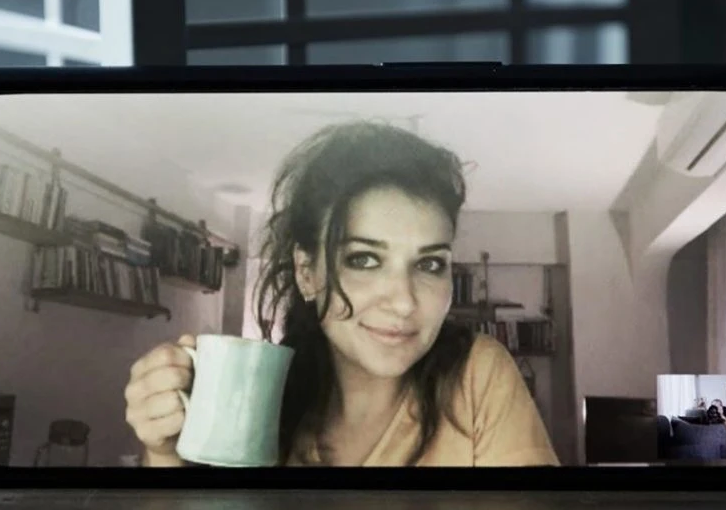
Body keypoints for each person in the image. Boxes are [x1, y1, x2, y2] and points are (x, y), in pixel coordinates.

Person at [123, 121, 559, 467]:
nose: (404, 302)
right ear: (306, 272)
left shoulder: (476, 378)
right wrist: (165, 455)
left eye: (429, 264)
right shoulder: (262, 412)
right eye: (364, 259)